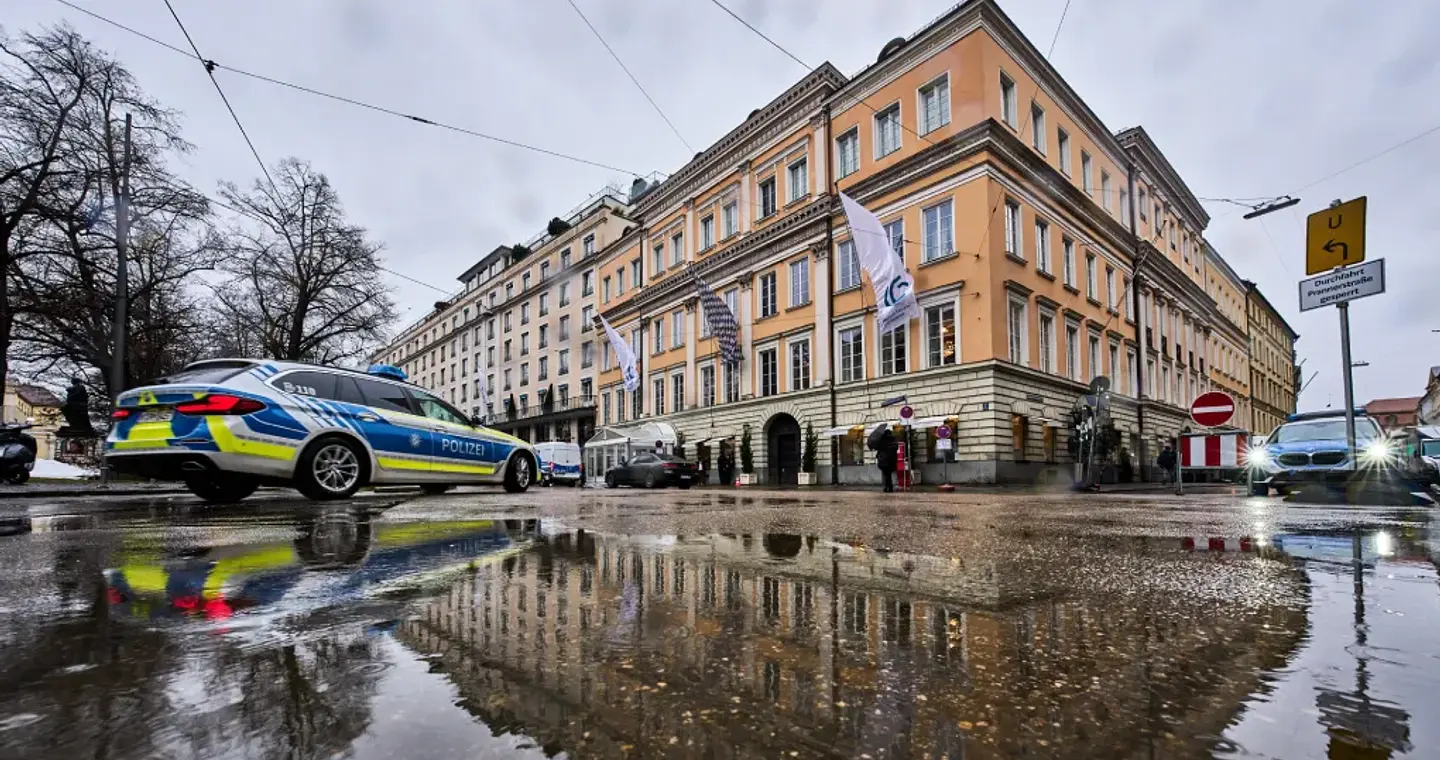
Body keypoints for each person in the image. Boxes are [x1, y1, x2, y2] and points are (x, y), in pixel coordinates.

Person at [875, 428, 899, 493]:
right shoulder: (894, 440)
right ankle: (889, 487)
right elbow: (896, 448)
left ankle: (886, 487)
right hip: (892, 461)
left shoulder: (882, 441)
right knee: (889, 474)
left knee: (886, 474)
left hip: (884, 461)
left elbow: (878, 450)